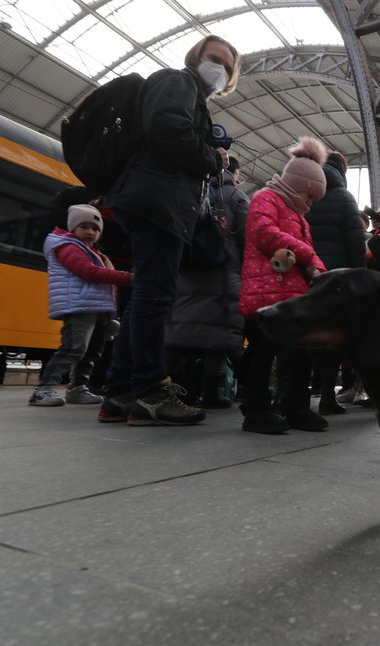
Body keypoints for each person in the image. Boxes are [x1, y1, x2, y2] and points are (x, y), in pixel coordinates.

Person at [99, 34, 239, 426]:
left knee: (148, 294)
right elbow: (166, 126)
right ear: (196, 58)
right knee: (155, 297)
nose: (219, 69)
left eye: (227, 66)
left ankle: (121, 391)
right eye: (214, 59)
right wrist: (212, 157)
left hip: (155, 199)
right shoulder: (177, 82)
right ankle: (149, 392)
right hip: (158, 200)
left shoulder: (189, 94)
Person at [239, 136, 329, 435]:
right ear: (300, 186)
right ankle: (256, 409)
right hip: (265, 291)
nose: (311, 203)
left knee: (299, 351)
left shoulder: (296, 213)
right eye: (311, 196)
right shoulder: (266, 198)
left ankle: (295, 405)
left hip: (290, 295)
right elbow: (262, 233)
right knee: (263, 351)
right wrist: (309, 255)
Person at [163, 156, 248, 409]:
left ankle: (166, 387)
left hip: (188, 270)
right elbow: (246, 235)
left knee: (180, 330)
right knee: (219, 335)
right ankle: (211, 391)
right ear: (235, 173)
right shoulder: (235, 196)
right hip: (223, 273)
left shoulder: (192, 187)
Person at [30, 205, 132, 407]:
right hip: (79, 306)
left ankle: (78, 388)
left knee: (93, 351)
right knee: (73, 348)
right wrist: (128, 278)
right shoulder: (68, 246)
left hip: (97, 308)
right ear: (73, 227)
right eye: (84, 226)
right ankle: (43, 390)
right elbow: (87, 272)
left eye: (95, 228)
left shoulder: (92, 251)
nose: (90, 232)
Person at [304, 151, 366, 416]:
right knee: (331, 341)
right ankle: (328, 397)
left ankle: (295, 395)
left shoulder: (308, 194)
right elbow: (356, 243)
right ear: (343, 171)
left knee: (305, 338)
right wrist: (360, 277)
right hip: (336, 280)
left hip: (307, 274)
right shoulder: (344, 197)